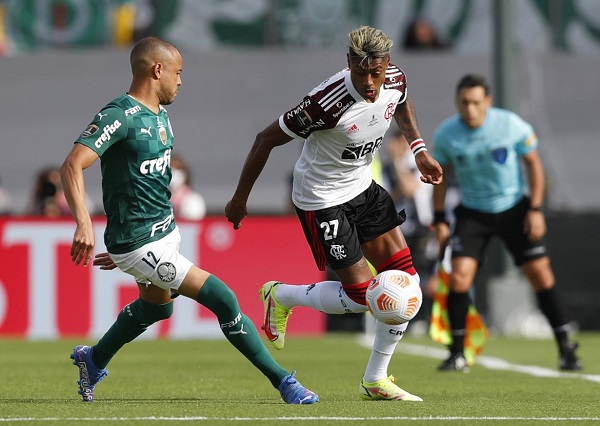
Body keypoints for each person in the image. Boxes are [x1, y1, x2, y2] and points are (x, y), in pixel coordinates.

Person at [60, 36, 319, 404]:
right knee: (224, 299)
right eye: (178, 73)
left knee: (157, 307)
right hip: (140, 243)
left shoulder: (161, 115)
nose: (181, 81)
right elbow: (72, 165)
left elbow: (142, 182)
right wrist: (87, 226)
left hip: (162, 234)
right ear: (158, 70)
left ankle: (94, 358)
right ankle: (284, 383)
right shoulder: (119, 115)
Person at [225, 26, 443, 401]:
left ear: (387, 64)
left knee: (408, 290)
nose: (370, 83)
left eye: (376, 72)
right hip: (321, 197)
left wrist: (419, 148)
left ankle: (376, 380)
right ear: (349, 65)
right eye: (362, 74)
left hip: (363, 188)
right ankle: (282, 296)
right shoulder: (324, 103)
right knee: (363, 297)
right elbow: (265, 139)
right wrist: (239, 198)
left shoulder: (394, 78)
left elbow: (402, 101)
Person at [431, 74, 582, 372]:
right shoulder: (447, 134)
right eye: (464, 103)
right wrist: (439, 220)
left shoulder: (510, 125)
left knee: (540, 273)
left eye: (475, 102)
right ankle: (457, 353)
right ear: (457, 103)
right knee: (460, 277)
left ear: (487, 101)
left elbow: (535, 165)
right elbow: (441, 178)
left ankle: (566, 348)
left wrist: (536, 209)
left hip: (514, 209)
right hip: (473, 213)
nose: (470, 109)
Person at [170, 154, 207, 220]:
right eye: (170, 168)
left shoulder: (194, 200)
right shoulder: (158, 198)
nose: (173, 172)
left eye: (178, 168)